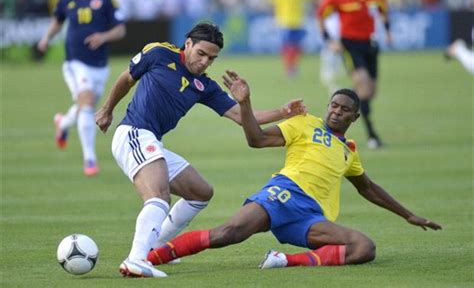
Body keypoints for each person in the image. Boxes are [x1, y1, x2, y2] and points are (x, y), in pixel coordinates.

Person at [147, 71, 441, 271]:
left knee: (364, 248)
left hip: (311, 216)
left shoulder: (349, 150)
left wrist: (408, 215)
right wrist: (245, 103)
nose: (336, 111)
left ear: (355, 116)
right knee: (229, 233)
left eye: (343, 109)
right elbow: (256, 140)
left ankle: (284, 260)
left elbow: (368, 188)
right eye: (333, 105)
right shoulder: (305, 123)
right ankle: (151, 258)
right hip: (284, 193)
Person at [94, 22, 306, 278]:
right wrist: (107, 109)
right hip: (134, 133)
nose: (205, 62)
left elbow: (240, 116)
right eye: (201, 54)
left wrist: (282, 112)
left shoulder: (204, 86)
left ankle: (155, 246)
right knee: (158, 197)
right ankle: (136, 260)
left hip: (151, 140)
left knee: (200, 192)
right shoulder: (160, 53)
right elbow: (127, 78)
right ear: (189, 43)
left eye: (212, 58)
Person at [37, 0, 126, 176]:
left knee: (83, 106)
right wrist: (47, 37)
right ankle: (90, 159)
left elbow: (120, 30)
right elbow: (57, 22)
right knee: (87, 104)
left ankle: (63, 122)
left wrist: (102, 36)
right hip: (75, 62)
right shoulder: (66, 0)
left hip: (99, 66)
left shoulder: (105, 0)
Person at [316, 0, 392, 149]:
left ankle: (343, 102)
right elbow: (320, 15)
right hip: (350, 45)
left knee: (370, 91)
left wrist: (388, 31)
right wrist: (329, 40)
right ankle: (372, 135)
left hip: (370, 45)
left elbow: (384, 10)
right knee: (364, 87)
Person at [268, 0, 311, 77]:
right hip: (284, 21)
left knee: (298, 47)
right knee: (287, 46)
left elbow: (307, 0)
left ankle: (293, 65)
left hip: (298, 20)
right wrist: (273, 18)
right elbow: (273, 4)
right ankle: (289, 68)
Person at [317, 0, 345, 94]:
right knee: (330, 42)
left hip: (341, 15)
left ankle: (338, 67)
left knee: (341, 42)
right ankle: (327, 69)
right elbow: (322, 1)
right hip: (330, 17)